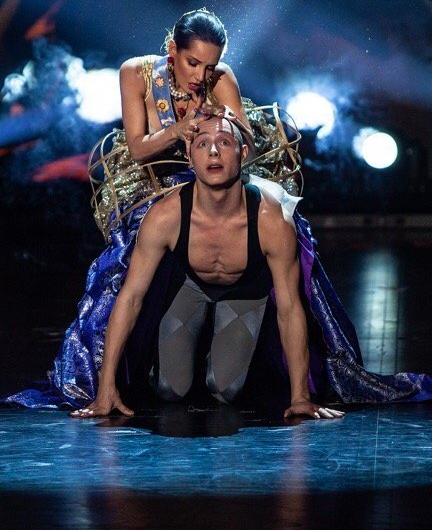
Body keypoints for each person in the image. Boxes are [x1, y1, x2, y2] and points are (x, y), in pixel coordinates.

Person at [0, 8, 432, 411]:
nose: (201, 75)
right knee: (123, 274)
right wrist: (180, 132)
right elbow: (137, 148)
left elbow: (244, 146)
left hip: (220, 183)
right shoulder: (137, 74)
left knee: (287, 238)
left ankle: (289, 369)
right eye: (193, 63)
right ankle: (111, 379)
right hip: (158, 187)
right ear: (172, 51)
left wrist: (219, 129)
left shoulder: (220, 79)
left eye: (210, 66)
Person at [71, 115, 343, 419]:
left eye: (224, 142)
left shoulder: (272, 220)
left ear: (242, 154)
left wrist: (300, 397)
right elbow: (130, 297)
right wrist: (106, 388)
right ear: (190, 157)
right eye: (202, 144)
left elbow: (290, 308)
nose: (213, 151)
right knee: (170, 389)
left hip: (245, 292)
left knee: (225, 390)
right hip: (190, 288)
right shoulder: (165, 216)